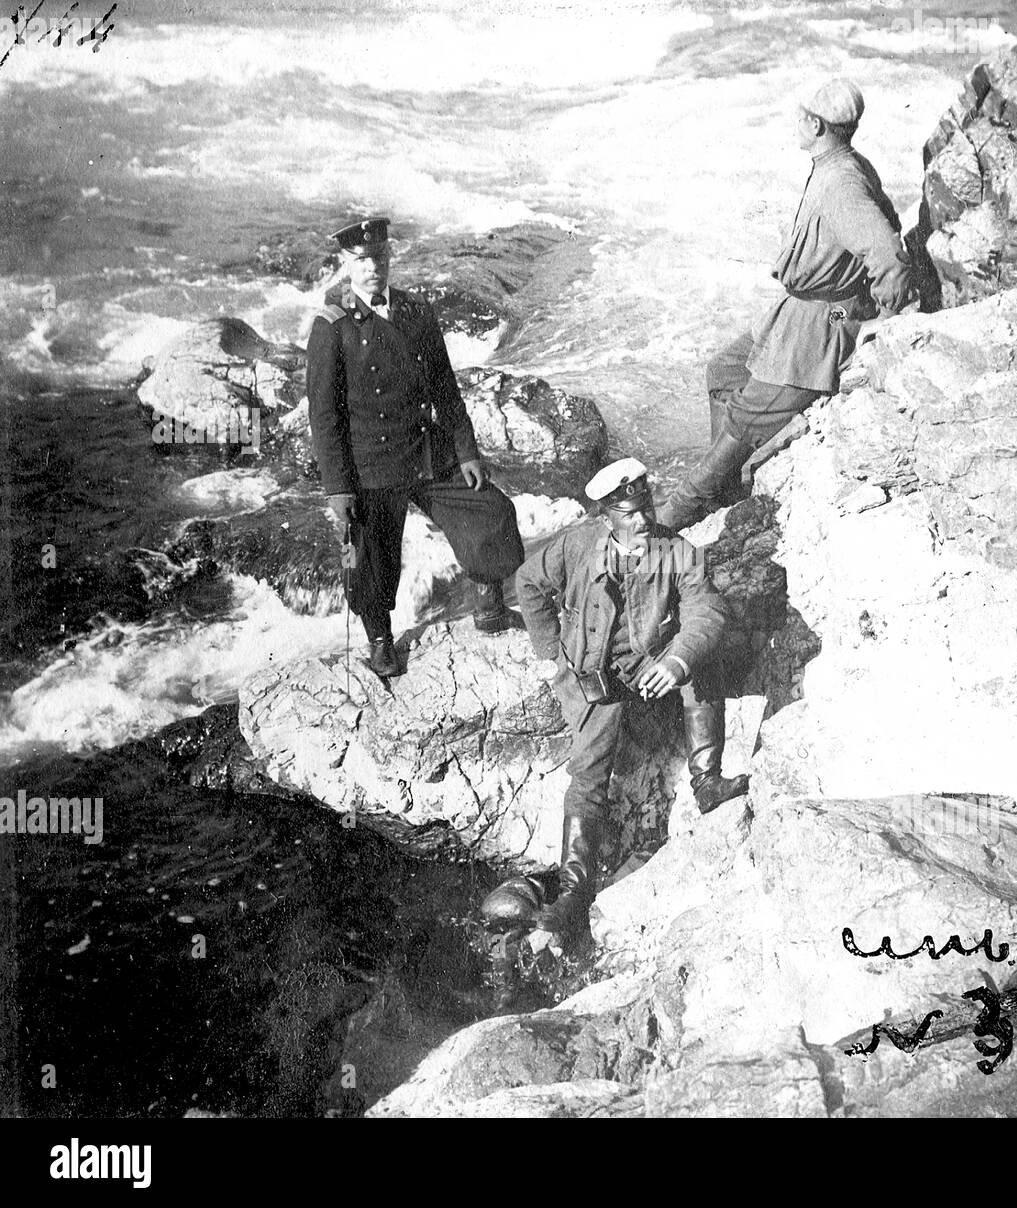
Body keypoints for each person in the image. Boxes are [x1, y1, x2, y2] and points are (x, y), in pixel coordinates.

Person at [480, 457, 750, 936]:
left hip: (648, 666)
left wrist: (676, 660)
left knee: (699, 657)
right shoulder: (578, 546)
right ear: (607, 515)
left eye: (645, 506)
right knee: (588, 771)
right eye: (629, 513)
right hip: (593, 678)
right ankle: (573, 887)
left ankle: (707, 782)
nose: (642, 520)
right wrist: (549, 652)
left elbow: (707, 611)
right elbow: (529, 583)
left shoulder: (675, 551)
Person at [658, 78, 914, 531]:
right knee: (723, 371)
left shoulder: (839, 183)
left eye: (801, 116)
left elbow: (888, 253)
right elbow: (889, 222)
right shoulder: (844, 163)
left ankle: (680, 511)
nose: (796, 122)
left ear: (816, 124)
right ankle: (728, 487)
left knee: (744, 414)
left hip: (821, 321)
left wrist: (885, 320)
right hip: (814, 311)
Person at [307, 217, 525, 675]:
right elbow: (324, 417)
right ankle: (381, 640)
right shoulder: (332, 327)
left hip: (425, 453)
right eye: (362, 260)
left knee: (491, 510)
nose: (373, 268)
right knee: (369, 555)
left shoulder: (416, 313)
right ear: (345, 265)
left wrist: (466, 451)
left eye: (380, 258)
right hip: (372, 464)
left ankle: (490, 606)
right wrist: (337, 489)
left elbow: (446, 388)